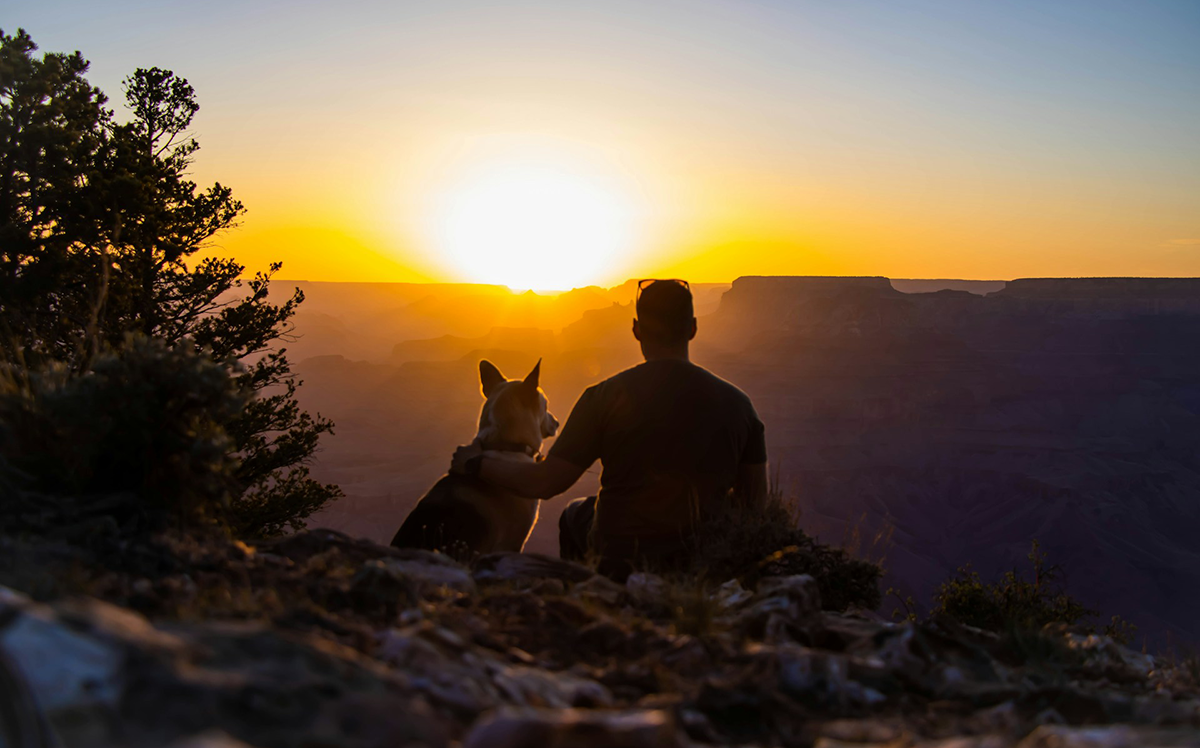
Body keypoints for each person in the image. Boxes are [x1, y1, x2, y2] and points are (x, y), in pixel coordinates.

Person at [450, 279, 768, 579]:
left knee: (575, 514)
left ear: (636, 330)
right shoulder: (741, 407)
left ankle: (589, 597)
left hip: (618, 560)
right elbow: (755, 508)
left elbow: (544, 483)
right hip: (701, 562)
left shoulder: (604, 397)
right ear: (693, 328)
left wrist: (475, 464)